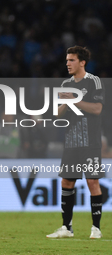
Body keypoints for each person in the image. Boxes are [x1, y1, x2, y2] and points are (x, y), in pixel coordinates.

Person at [46, 46, 105, 239]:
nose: (67, 64)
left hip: (90, 142)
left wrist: (74, 99)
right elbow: (57, 113)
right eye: (66, 61)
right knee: (67, 182)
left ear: (82, 62)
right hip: (71, 142)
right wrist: (65, 102)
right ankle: (66, 228)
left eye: (71, 60)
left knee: (92, 181)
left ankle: (96, 228)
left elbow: (96, 109)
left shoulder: (94, 81)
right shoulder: (65, 84)